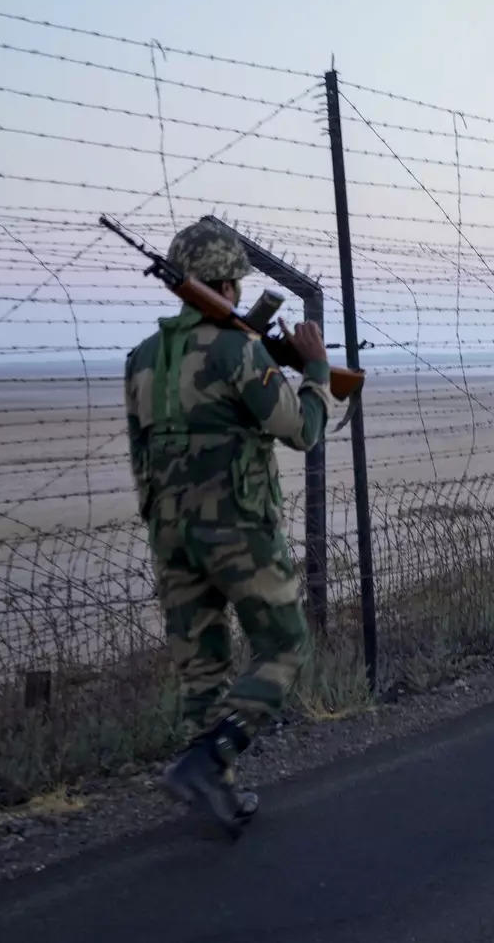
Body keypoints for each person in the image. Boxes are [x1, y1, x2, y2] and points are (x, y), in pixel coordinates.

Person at [123, 215, 330, 835]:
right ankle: (214, 756)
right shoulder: (236, 349)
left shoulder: (142, 358)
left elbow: (142, 452)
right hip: (240, 528)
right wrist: (314, 372)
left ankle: (218, 790)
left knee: (202, 665)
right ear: (230, 283)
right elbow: (303, 430)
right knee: (286, 644)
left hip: (169, 530)